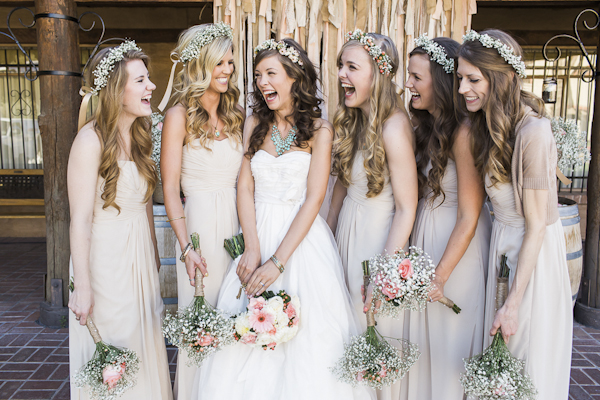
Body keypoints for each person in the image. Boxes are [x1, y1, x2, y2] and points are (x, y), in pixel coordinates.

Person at [192, 38, 374, 400]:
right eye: (258, 75)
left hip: (301, 242)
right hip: (257, 234)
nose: (262, 82)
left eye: (271, 74)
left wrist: (278, 261)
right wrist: (254, 247)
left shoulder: (320, 130)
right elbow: (244, 187)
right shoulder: (254, 121)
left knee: (310, 347)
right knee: (245, 338)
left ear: (294, 78)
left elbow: (314, 198)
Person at [457, 29, 572, 400]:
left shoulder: (533, 133)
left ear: (502, 79)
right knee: (500, 368)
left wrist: (513, 303)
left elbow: (537, 227)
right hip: (503, 247)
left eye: (473, 80)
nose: (462, 89)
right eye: (461, 78)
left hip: (530, 259)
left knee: (522, 360)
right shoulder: (489, 125)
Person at [67, 42, 173, 400]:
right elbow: (79, 220)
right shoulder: (89, 140)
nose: (151, 87)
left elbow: (142, 202)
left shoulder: (141, 137)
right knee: (117, 349)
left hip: (139, 258)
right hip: (105, 262)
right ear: (116, 89)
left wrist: (154, 254)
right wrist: (83, 286)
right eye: (141, 80)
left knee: (143, 344)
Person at [326, 30, 417, 400]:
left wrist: (384, 271)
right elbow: (342, 188)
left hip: (375, 241)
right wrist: (325, 239)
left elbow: (407, 207)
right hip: (347, 232)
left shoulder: (394, 127)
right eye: (340, 67)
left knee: (373, 338)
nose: (342, 75)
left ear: (377, 73)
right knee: (347, 337)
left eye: (352, 67)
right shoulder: (355, 120)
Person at [400, 35, 492, 400]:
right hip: (428, 238)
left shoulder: (464, 133)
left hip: (457, 251)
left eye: (416, 77)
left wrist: (439, 278)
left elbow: (470, 215)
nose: (408, 84)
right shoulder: (426, 127)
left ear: (439, 81)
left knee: (448, 344)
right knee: (426, 346)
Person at [160, 22, 245, 400]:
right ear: (199, 65)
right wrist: (186, 248)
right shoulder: (178, 116)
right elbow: (168, 188)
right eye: (220, 63)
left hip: (237, 225)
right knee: (203, 320)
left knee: (237, 314)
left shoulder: (237, 115)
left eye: (230, 62)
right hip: (198, 230)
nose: (227, 69)